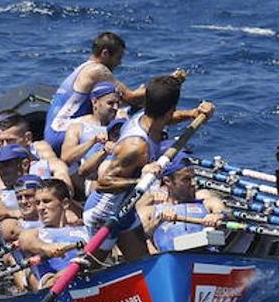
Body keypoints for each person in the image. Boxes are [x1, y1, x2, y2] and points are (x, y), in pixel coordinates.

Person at [83, 74, 215, 261]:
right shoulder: (136, 146)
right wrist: (142, 178)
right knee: (91, 269)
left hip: (125, 210)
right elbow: (103, 182)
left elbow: (166, 119)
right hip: (103, 213)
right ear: (170, 109)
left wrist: (193, 114)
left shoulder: (145, 118)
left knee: (142, 262)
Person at [45, 32, 178, 155]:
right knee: (126, 118)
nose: (119, 63)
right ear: (105, 53)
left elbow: (124, 99)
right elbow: (130, 97)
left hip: (52, 132)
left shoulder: (84, 67)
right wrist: (170, 82)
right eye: (118, 58)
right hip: (60, 134)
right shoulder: (97, 70)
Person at [139, 153, 230, 253]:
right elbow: (138, 236)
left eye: (193, 178)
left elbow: (226, 213)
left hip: (206, 256)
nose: (193, 183)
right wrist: (159, 220)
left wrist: (218, 216)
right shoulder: (151, 210)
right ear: (168, 181)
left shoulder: (208, 203)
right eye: (186, 179)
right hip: (169, 259)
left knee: (216, 236)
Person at [17, 179, 91, 289]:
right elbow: (25, 241)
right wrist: (46, 247)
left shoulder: (84, 229)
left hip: (89, 277)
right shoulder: (35, 233)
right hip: (55, 286)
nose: (41, 207)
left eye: (46, 201)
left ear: (65, 204)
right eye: (37, 203)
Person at [0, 111, 71, 193]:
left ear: (27, 138)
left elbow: (54, 164)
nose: (4, 146)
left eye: (10, 140)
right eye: (0, 141)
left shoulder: (40, 147)